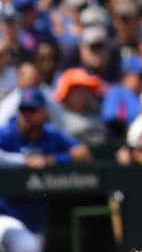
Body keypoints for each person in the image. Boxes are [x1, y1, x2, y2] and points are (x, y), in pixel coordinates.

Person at [0, 87, 91, 244]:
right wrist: (24, 161)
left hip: (36, 220)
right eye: (23, 109)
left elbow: (83, 153)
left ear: (44, 112)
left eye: (32, 109)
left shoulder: (50, 135)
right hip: (5, 214)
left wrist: (52, 159)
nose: (27, 114)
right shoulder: (6, 134)